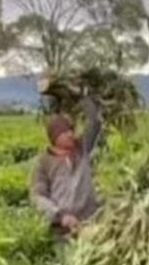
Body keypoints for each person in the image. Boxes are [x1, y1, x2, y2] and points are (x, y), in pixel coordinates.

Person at [30, 97, 102, 237]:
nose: (70, 134)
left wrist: (84, 96)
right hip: (61, 228)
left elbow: (94, 123)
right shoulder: (43, 163)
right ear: (54, 137)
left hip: (90, 220)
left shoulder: (82, 148)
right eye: (64, 132)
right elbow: (38, 196)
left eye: (71, 130)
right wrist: (60, 215)